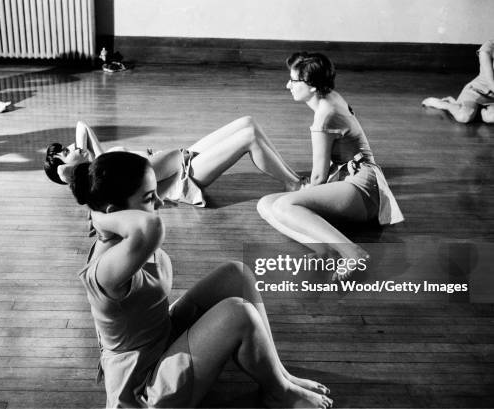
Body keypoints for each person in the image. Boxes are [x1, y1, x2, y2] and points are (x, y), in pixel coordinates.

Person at [71, 151, 333, 408]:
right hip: (144, 384)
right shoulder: (105, 270)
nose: (160, 203)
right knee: (238, 313)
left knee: (236, 274)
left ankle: (279, 375)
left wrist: (100, 209)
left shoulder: (126, 240)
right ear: (115, 212)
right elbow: (151, 228)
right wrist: (99, 217)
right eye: (150, 198)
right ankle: (279, 393)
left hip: (162, 335)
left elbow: (173, 158)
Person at [257, 52, 403, 281]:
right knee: (265, 204)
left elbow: (317, 177)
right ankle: (326, 250)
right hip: (348, 179)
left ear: (313, 86)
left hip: (363, 187)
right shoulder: (329, 97)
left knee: (284, 205)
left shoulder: (325, 116)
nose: (288, 85)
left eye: (294, 81)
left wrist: (303, 192)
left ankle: (353, 253)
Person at [45, 119, 302, 207]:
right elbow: (81, 139)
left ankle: (294, 177)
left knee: (247, 122)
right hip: (186, 176)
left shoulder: (101, 159)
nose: (72, 146)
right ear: (67, 170)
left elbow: (82, 127)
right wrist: (64, 170)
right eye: (67, 152)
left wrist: (74, 158)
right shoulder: (103, 171)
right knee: (248, 138)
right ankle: (294, 184)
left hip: (184, 156)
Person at [422, 40, 494, 123]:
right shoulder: (488, 47)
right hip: (477, 91)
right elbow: (491, 83)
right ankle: (444, 104)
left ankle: (474, 110)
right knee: (464, 117)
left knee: (490, 117)